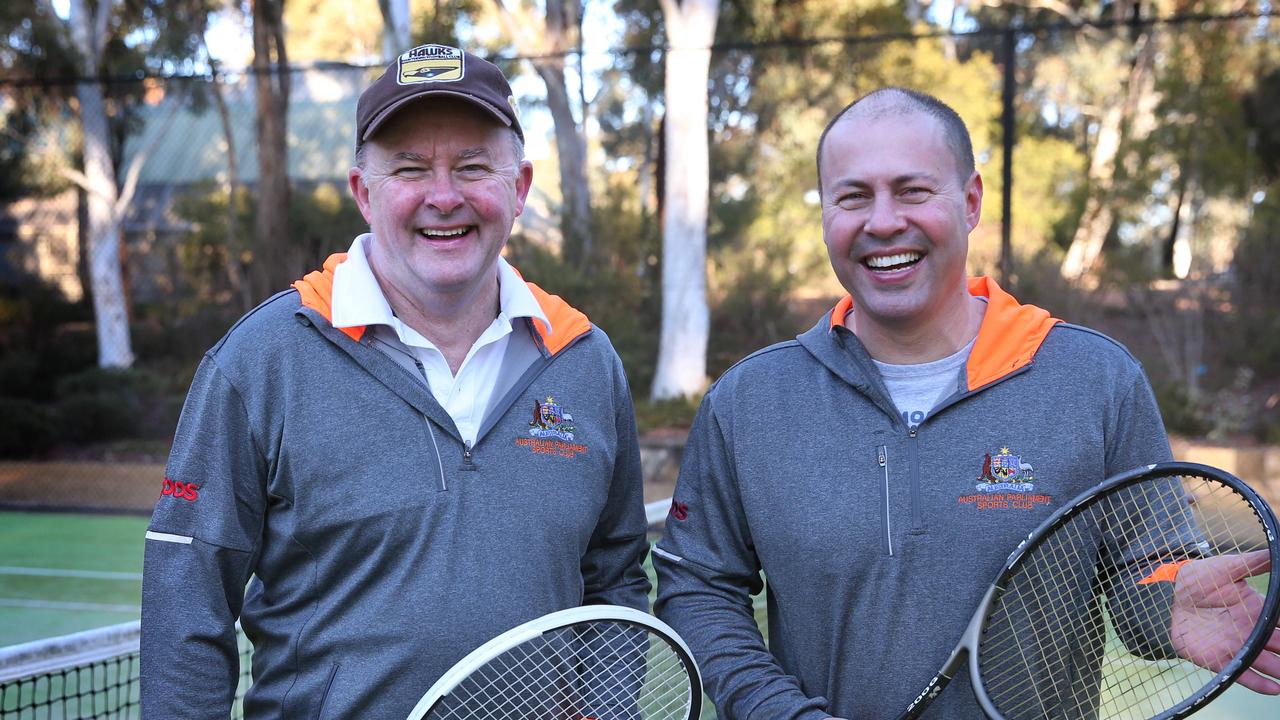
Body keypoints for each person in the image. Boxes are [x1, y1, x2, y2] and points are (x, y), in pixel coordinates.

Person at [653, 87, 1280, 718]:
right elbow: (699, 587)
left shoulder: (1096, 380)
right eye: (852, 196)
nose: (883, 221)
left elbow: (1142, 572)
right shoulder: (750, 401)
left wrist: (1166, 603)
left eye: (912, 190)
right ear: (825, 216)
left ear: (971, 201)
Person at [140, 43, 650, 718]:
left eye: (472, 167)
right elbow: (188, 600)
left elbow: (615, 579)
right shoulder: (260, 362)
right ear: (363, 193)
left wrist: (606, 705)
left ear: (519, 188)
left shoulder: (585, 361)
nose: (444, 197)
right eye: (411, 169)